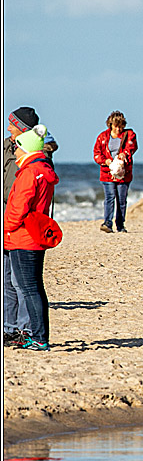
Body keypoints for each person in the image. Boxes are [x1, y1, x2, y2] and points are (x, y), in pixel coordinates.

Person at [4, 125, 59, 351]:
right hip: (31, 235)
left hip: (23, 237)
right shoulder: (41, 169)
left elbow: (18, 207)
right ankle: (38, 335)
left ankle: (38, 337)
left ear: (26, 149)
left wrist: (6, 229)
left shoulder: (29, 172)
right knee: (34, 287)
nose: (15, 151)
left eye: (17, 148)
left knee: (29, 288)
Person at [4, 107, 44, 347]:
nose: (8, 128)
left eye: (12, 124)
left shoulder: (33, 162)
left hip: (20, 227)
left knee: (24, 284)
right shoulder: (6, 147)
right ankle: (8, 328)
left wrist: (8, 227)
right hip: (8, 218)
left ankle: (26, 330)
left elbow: (25, 201)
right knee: (7, 278)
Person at [93, 110, 138, 234]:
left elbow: (132, 147)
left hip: (124, 173)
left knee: (121, 200)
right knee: (110, 197)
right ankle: (107, 222)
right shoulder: (102, 137)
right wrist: (105, 161)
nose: (118, 129)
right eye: (116, 126)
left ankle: (120, 224)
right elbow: (96, 153)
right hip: (107, 173)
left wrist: (124, 154)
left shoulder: (129, 135)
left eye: (121, 126)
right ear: (110, 125)